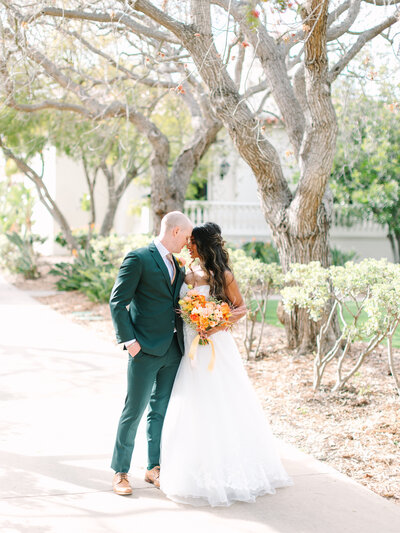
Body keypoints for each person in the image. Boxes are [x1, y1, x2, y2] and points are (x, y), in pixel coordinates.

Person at [159, 222, 293, 506]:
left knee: (220, 402)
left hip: (213, 346)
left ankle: (229, 470)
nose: (188, 245)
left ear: (204, 245)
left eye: (193, 241)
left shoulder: (224, 275)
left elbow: (241, 308)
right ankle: (193, 467)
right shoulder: (185, 271)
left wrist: (214, 324)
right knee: (193, 405)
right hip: (188, 347)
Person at [109, 211, 193, 495]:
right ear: (175, 232)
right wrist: (130, 342)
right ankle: (120, 472)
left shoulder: (177, 264)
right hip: (143, 349)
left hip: (173, 349)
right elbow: (117, 302)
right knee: (133, 411)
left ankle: (153, 468)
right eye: (186, 236)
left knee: (160, 411)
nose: (188, 242)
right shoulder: (138, 258)